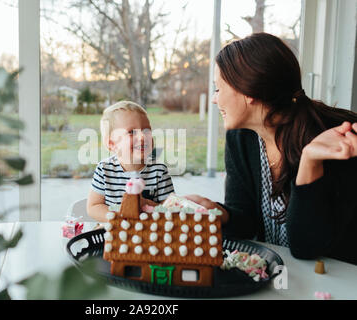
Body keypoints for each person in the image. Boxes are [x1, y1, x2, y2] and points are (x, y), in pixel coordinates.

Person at [185, 32, 357, 265]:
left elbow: (307, 247)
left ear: (248, 92)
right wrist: (220, 214)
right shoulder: (241, 137)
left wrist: (309, 162)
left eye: (218, 88)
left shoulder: (338, 139)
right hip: (279, 276)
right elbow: (246, 223)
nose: (215, 99)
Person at [87, 101, 174, 222]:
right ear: (112, 144)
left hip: (149, 232)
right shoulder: (104, 169)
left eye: (147, 130)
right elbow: (93, 207)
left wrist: (146, 204)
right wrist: (119, 219)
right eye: (132, 132)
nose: (143, 137)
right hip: (115, 232)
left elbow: (170, 210)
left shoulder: (159, 171)